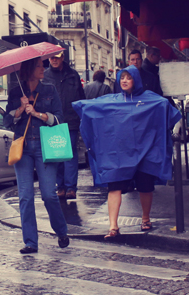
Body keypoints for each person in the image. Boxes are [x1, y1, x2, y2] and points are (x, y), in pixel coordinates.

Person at [73, 65, 181, 239]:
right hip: (119, 155)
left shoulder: (150, 99)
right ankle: (113, 226)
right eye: (121, 77)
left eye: (128, 77)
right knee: (114, 186)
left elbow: (165, 108)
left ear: (135, 80)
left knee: (145, 186)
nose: (124, 80)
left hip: (145, 152)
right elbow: (91, 107)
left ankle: (145, 218)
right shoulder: (112, 100)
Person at [4, 57, 71, 254]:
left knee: (49, 194)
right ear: (29, 69)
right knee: (25, 196)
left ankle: (61, 231)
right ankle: (30, 242)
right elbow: (7, 121)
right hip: (23, 147)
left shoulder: (49, 90)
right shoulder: (16, 92)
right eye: (40, 66)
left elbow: (59, 118)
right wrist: (19, 110)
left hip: (44, 146)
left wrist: (38, 114)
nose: (44, 68)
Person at [44, 50, 85, 200]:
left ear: (62, 58)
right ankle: (60, 186)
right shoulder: (45, 75)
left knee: (70, 154)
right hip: (53, 120)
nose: (54, 60)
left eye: (56, 57)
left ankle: (71, 188)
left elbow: (81, 97)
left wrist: (80, 116)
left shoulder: (73, 74)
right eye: (51, 57)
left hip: (71, 120)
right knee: (57, 154)